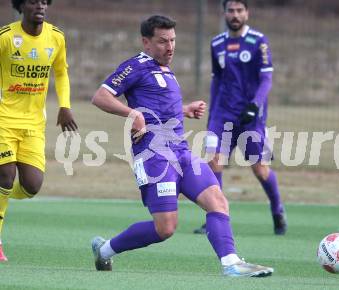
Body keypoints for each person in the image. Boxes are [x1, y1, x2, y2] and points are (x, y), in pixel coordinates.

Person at [90, 15, 273, 277]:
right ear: (146, 42)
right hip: (154, 157)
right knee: (165, 228)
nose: (170, 47)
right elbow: (101, 96)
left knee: (217, 200)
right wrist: (133, 115)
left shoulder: (166, 69)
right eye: (163, 41)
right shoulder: (136, 66)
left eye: (173, 40)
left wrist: (185, 110)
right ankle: (105, 250)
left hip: (181, 152)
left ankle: (231, 263)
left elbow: (160, 106)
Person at [193, 0, 287, 235]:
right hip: (222, 115)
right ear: (224, 13)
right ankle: (216, 215)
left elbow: (266, 79)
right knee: (214, 162)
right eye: (231, 10)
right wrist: (212, 115)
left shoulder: (258, 41)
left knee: (260, 170)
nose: (235, 15)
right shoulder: (216, 43)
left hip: (250, 116)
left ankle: (277, 209)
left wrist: (254, 105)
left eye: (239, 10)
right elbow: (217, 80)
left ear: (247, 13)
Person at [0, 0, 78, 262]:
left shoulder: (56, 37)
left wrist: (64, 106)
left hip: (34, 124)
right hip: (3, 120)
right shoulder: (6, 38)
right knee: (5, 176)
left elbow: (61, 73)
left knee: (32, 185)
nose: (40, 6)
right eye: (33, 1)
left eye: (44, 1)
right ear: (21, 6)